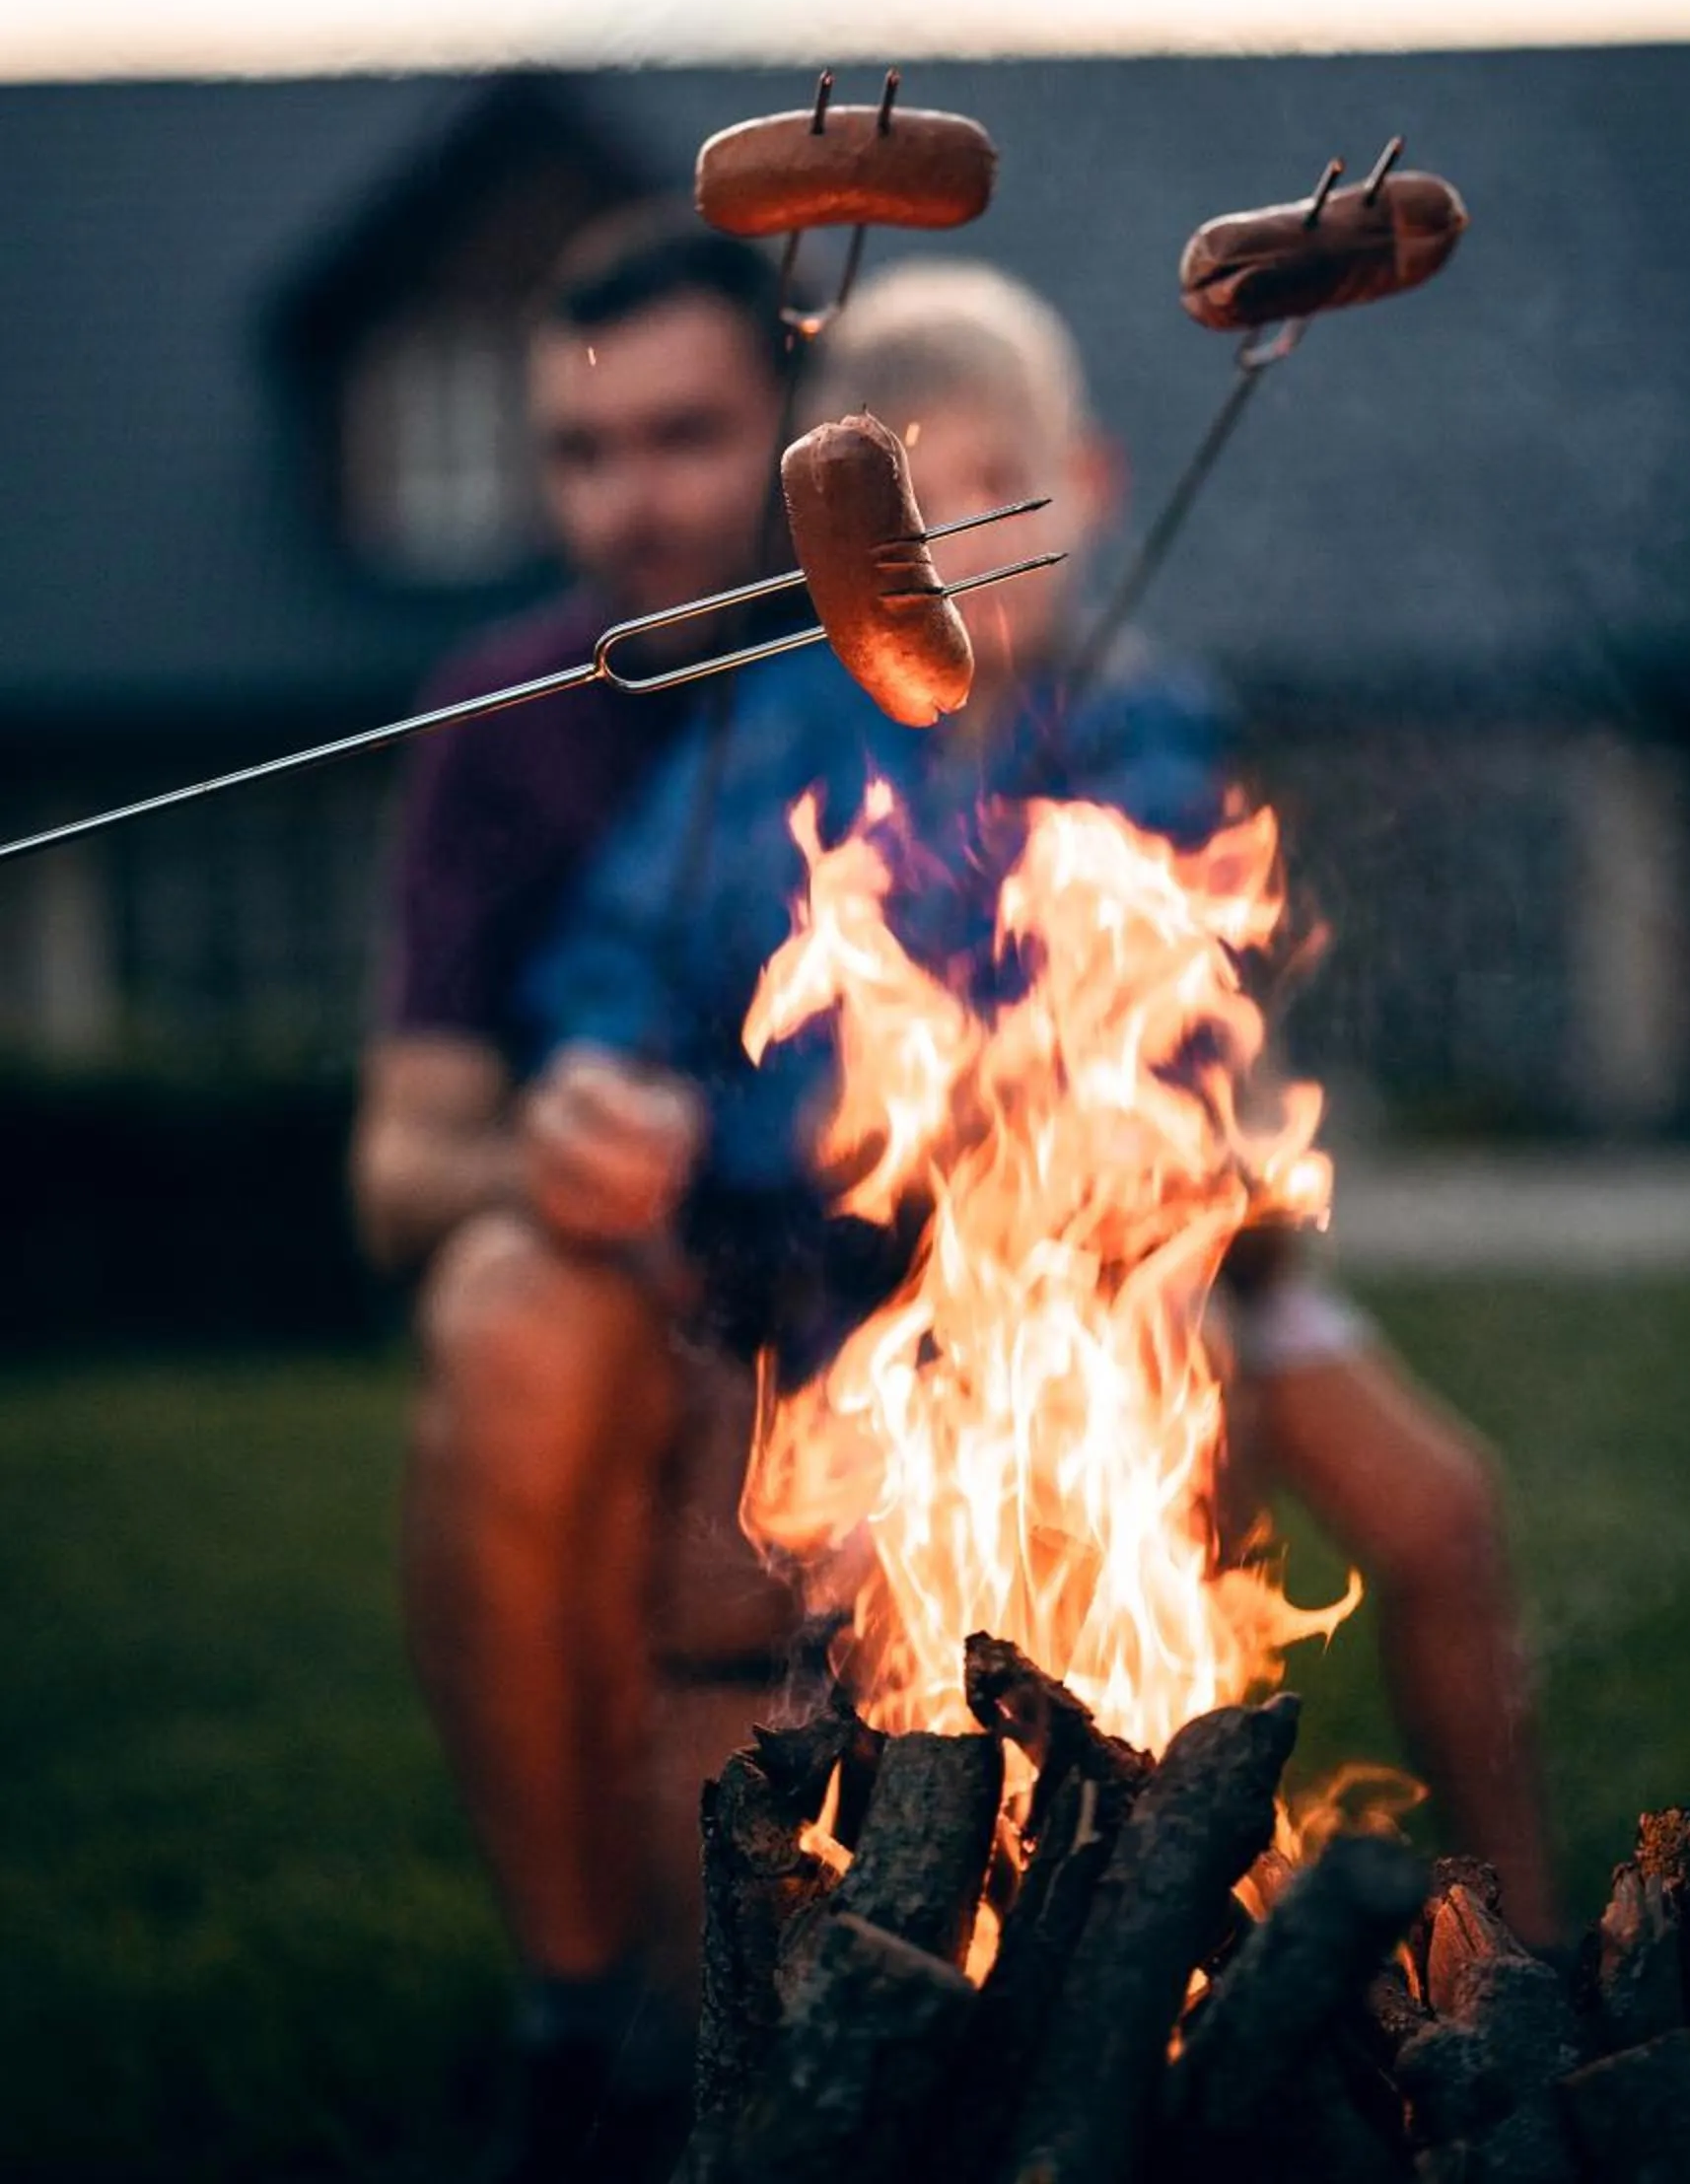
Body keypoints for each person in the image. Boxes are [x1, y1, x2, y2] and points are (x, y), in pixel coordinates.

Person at [525, 258, 1561, 1950]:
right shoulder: (760, 745)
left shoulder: (1147, 728)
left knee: (1440, 1510)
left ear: (1090, 487)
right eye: (902, 516)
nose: (955, 547)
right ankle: (952, 1947)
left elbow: (1208, 1004)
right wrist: (606, 1091)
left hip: (1156, 1264)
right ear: (828, 549)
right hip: (851, 1290)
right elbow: (616, 981)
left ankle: (1520, 1934)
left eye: (1001, 492)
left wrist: (1191, 1130)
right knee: (809, 1605)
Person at [351, 222, 810, 2180]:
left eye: (689, 436)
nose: (631, 503)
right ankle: (573, 2023)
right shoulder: (497, 715)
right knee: (499, 1305)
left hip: (923, 1327)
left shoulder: (934, 654)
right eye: (581, 455)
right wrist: (536, 1161)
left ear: (803, 416)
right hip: (649, 1324)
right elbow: (398, 1171)